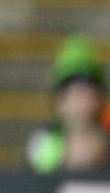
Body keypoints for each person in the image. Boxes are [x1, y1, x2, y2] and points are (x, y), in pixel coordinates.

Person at [27, 34, 110, 173]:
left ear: (99, 98)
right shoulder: (42, 145)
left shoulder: (105, 141)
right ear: (60, 100)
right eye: (74, 96)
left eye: (88, 95)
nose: (82, 105)